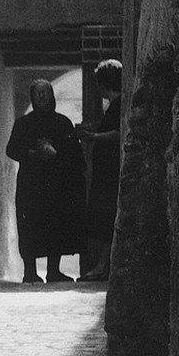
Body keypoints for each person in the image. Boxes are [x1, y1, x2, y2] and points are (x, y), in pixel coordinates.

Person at [6, 79, 85, 284]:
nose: (42, 96)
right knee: (29, 226)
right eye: (38, 93)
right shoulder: (23, 124)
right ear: (33, 97)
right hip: (31, 185)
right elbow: (12, 149)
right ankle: (30, 272)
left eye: (45, 92)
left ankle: (53, 271)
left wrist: (55, 153)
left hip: (55, 185)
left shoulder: (62, 123)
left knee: (55, 225)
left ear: (52, 96)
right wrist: (33, 153)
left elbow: (74, 153)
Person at [78, 59, 123, 281]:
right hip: (107, 170)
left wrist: (94, 136)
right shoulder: (114, 105)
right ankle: (103, 264)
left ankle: (103, 265)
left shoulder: (119, 104)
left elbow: (120, 132)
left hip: (111, 171)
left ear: (105, 83)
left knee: (107, 217)